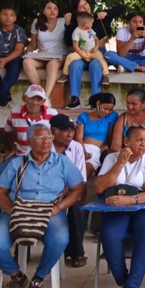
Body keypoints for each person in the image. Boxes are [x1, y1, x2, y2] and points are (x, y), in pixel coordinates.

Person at [0, 124, 86, 288]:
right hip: (17, 209)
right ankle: (17, 276)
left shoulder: (62, 162)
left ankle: (38, 279)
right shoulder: (16, 163)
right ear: (30, 141)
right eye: (40, 138)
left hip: (50, 211)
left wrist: (59, 207)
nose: (46, 142)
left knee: (60, 239)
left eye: (49, 138)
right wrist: (13, 211)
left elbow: (79, 189)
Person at [96, 126, 145, 288]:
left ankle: (132, 286)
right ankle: (124, 282)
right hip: (116, 210)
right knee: (109, 234)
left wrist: (131, 200)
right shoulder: (111, 158)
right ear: (126, 141)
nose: (143, 144)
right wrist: (119, 163)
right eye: (139, 140)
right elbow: (100, 187)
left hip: (143, 209)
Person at [49, 115, 88, 269]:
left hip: (70, 190)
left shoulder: (77, 147)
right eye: (66, 130)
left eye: (72, 130)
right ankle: (22, 250)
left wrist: (68, 190)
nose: (70, 134)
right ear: (53, 131)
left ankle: (77, 252)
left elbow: (80, 179)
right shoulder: (45, 146)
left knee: (74, 205)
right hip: (47, 192)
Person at [21, 0, 66, 104]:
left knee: (52, 64)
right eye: (49, 8)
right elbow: (33, 45)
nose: (52, 11)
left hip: (60, 56)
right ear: (43, 10)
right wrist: (23, 54)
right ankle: (40, 93)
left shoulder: (63, 21)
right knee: (27, 62)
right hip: (42, 55)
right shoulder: (37, 22)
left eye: (55, 8)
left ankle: (45, 98)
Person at [2, 84, 57, 163]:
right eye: (31, 98)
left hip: (45, 157)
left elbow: (58, 136)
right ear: (24, 98)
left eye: (38, 99)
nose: (34, 102)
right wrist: (13, 149)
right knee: (3, 168)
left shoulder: (52, 114)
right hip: (22, 155)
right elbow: (7, 132)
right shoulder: (14, 112)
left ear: (43, 102)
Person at [59, 12, 109, 92]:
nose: (92, 25)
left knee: (101, 58)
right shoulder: (76, 32)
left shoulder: (90, 30)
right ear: (85, 24)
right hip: (81, 51)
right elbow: (75, 46)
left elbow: (96, 39)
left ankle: (105, 74)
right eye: (91, 23)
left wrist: (96, 47)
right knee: (70, 57)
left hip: (92, 51)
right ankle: (65, 74)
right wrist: (81, 54)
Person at [111, 88, 145, 161]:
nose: (130, 106)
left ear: (143, 104)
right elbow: (115, 145)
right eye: (128, 103)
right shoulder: (123, 118)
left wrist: (140, 159)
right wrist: (127, 158)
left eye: (134, 104)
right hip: (125, 157)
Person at [75, 92, 117, 177]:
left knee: (83, 174)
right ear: (98, 103)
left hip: (94, 151)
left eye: (110, 110)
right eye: (105, 108)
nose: (107, 112)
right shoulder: (84, 116)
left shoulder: (111, 116)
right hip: (80, 147)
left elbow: (110, 136)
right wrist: (84, 151)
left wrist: (108, 149)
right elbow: (78, 137)